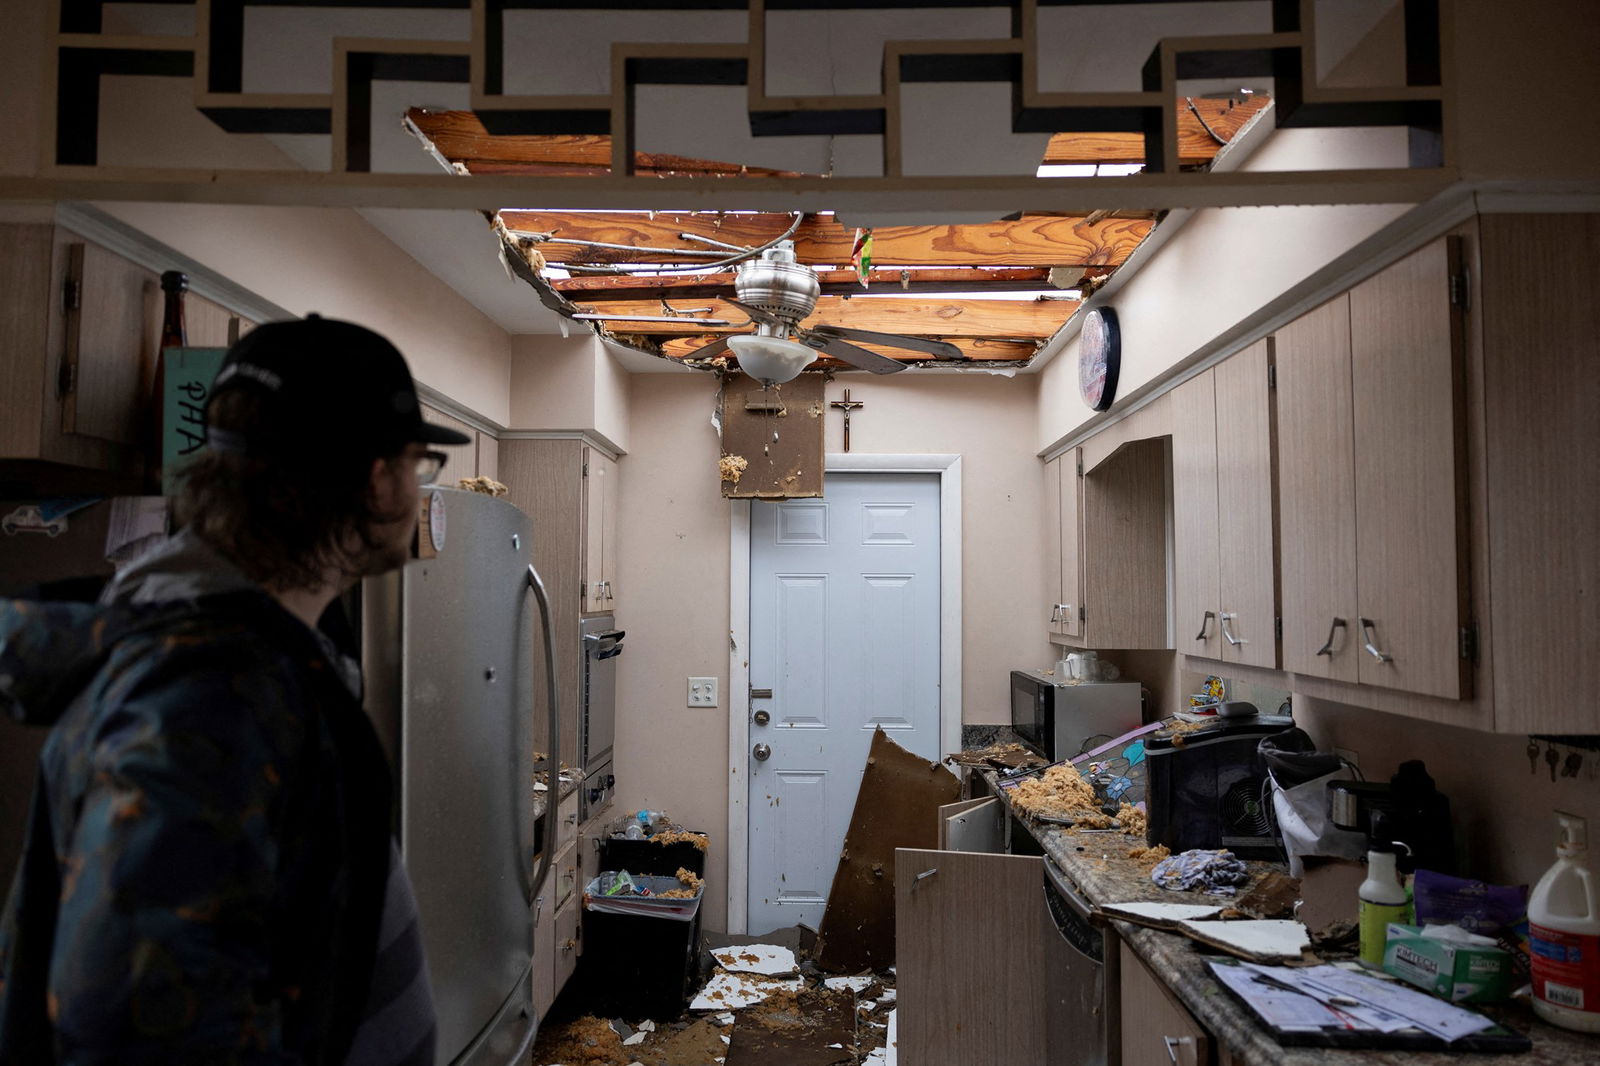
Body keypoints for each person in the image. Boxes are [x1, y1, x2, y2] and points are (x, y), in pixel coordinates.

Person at [0, 316, 468, 1065]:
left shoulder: (261, 658)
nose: (418, 489)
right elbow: (133, 1024)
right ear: (376, 480)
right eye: (420, 465)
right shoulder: (204, 695)